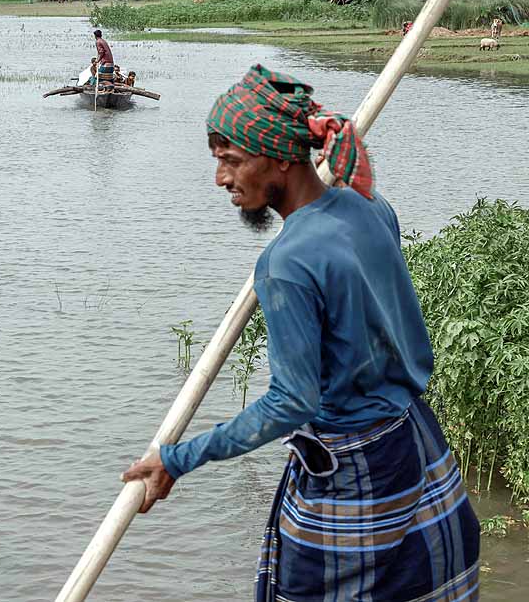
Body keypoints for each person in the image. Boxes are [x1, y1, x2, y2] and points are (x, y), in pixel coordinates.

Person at [122, 65, 480, 602]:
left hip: (355, 466)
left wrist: (178, 459)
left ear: (282, 159)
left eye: (232, 161)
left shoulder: (287, 263)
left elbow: (291, 402)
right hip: (412, 438)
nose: (222, 179)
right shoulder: (371, 206)